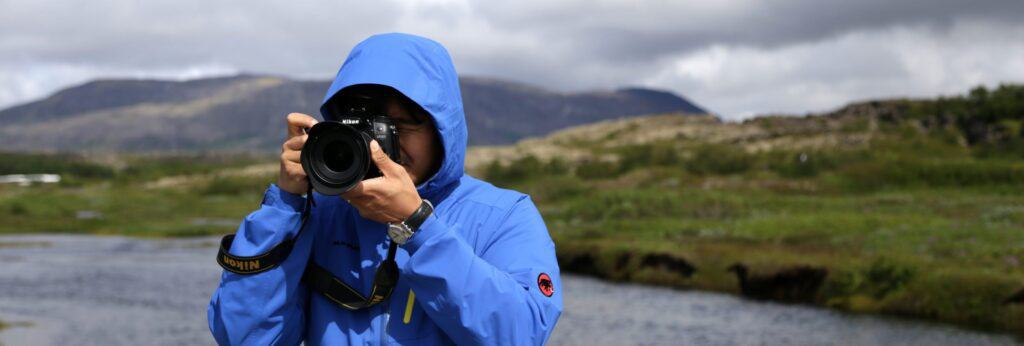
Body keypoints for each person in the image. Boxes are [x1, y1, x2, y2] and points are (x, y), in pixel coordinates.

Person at [207, 33, 563, 345]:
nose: (380, 145)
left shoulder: (503, 215)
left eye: (402, 126)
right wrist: (284, 207)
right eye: (368, 128)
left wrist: (418, 226)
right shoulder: (318, 212)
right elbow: (246, 338)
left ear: (442, 131)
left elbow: (521, 335)